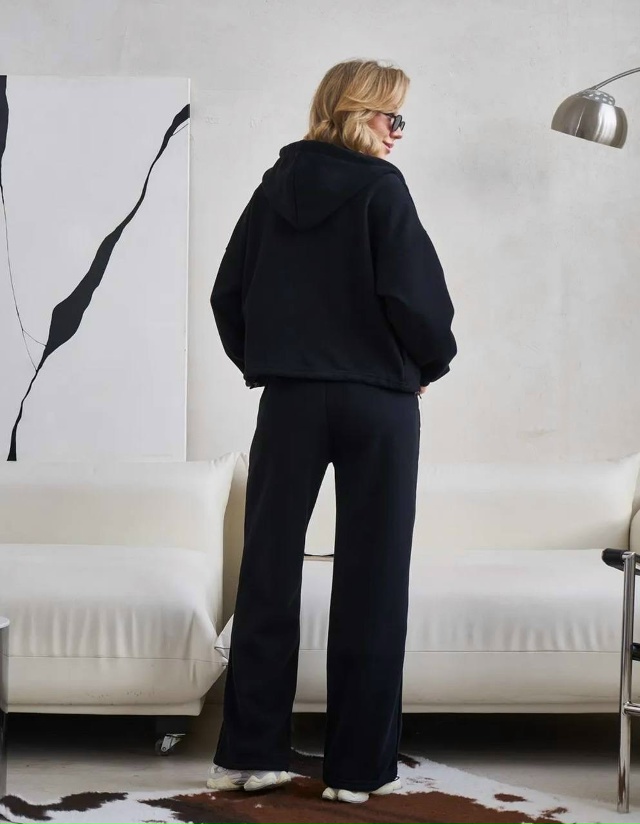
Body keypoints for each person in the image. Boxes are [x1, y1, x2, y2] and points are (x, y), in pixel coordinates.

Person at [207, 58, 457, 804]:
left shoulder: (273, 188)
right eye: (392, 117)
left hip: (290, 401)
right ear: (355, 112)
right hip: (378, 403)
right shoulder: (382, 189)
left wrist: (270, 362)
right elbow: (418, 301)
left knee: (268, 571)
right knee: (373, 577)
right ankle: (357, 771)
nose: (398, 133)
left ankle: (251, 754)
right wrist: (426, 364)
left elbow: (228, 295)